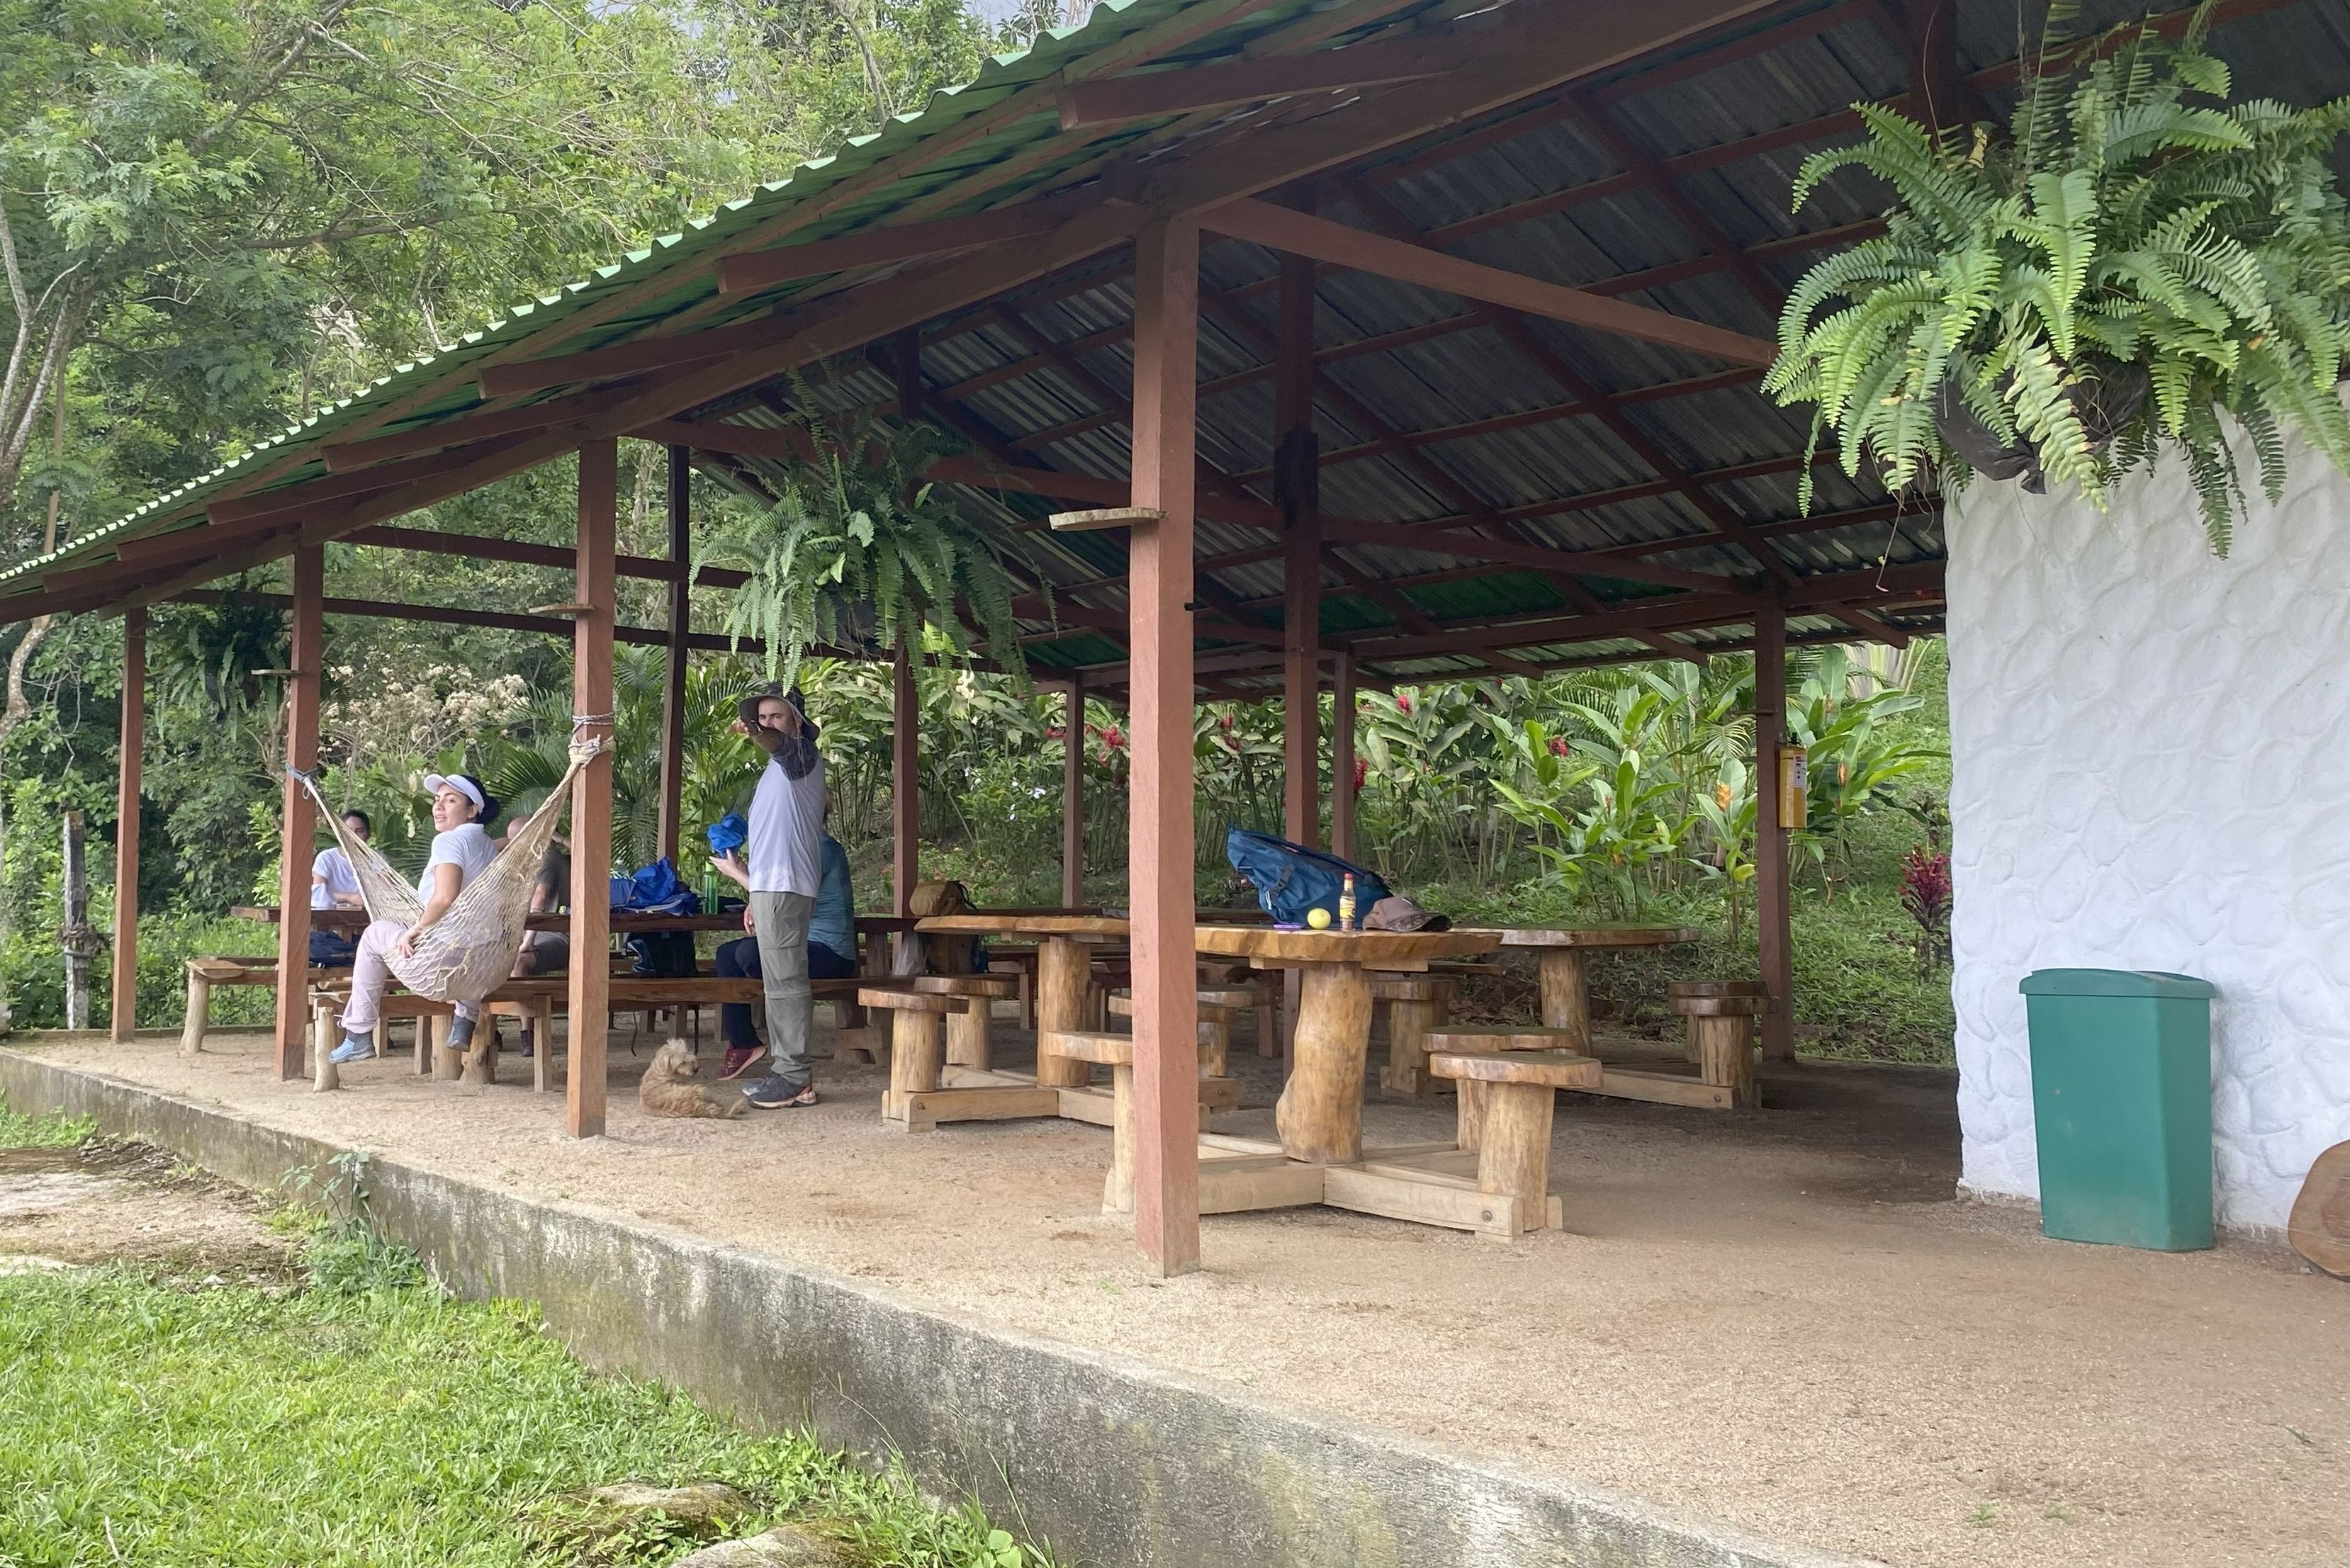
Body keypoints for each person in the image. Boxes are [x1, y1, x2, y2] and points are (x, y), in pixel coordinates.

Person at [327, 774, 500, 1064]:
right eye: (437, 799)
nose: (439, 806)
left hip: (442, 962)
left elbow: (445, 897)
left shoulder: (449, 841)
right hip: (484, 966)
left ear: (472, 811)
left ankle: (358, 1034)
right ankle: (464, 1020)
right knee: (472, 934)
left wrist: (417, 929)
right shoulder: (486, 846)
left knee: (373, 936)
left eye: (451, 800)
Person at [713, 687, 826, 1108]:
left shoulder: (801, 755)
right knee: (778, 981)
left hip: (784, 887)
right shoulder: (780, 772)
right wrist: (753, 890)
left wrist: (758, 734)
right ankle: (788, 1074)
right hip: (772, 887)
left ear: (797, 721)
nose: (767, 724)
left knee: (784, 984)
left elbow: (778, 744)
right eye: (762, 717)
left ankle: (793, 1075)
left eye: (776, 716)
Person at [712, 816, 854, 1080]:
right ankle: (744, 1043)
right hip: (800, 945)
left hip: (830, 952)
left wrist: (736, 874)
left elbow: (783, 899)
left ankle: (787, 1049)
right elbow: (773, 891)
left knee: (749, 956)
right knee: (727, 955)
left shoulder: (822, 848)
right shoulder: (798, 850)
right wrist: (747, 876)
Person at [308, 809, 371, 968]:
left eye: (360, 831)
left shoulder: (377, 860)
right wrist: (349, 897)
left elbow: (388, 891)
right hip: (331, 926)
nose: (354, 836)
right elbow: (317, 893)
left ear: (368, 834)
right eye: (348, 831)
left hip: (367, 924)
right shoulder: (327, 858)